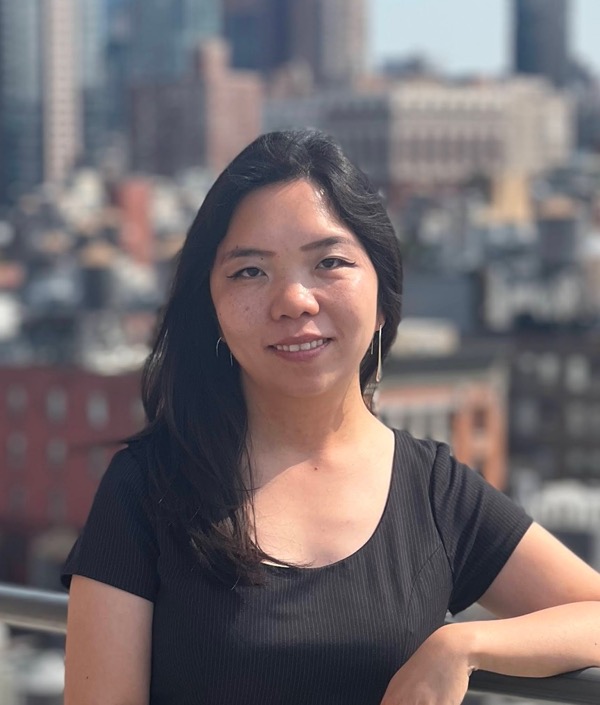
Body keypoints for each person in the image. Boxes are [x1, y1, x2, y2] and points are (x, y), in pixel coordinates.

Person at [62, 129, 600, 705]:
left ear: (383, 297)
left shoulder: (433, 492)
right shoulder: (147, 489)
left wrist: (463, 646)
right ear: (210, 306)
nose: (295, 300)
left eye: (329, 262)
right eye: (250, 271)